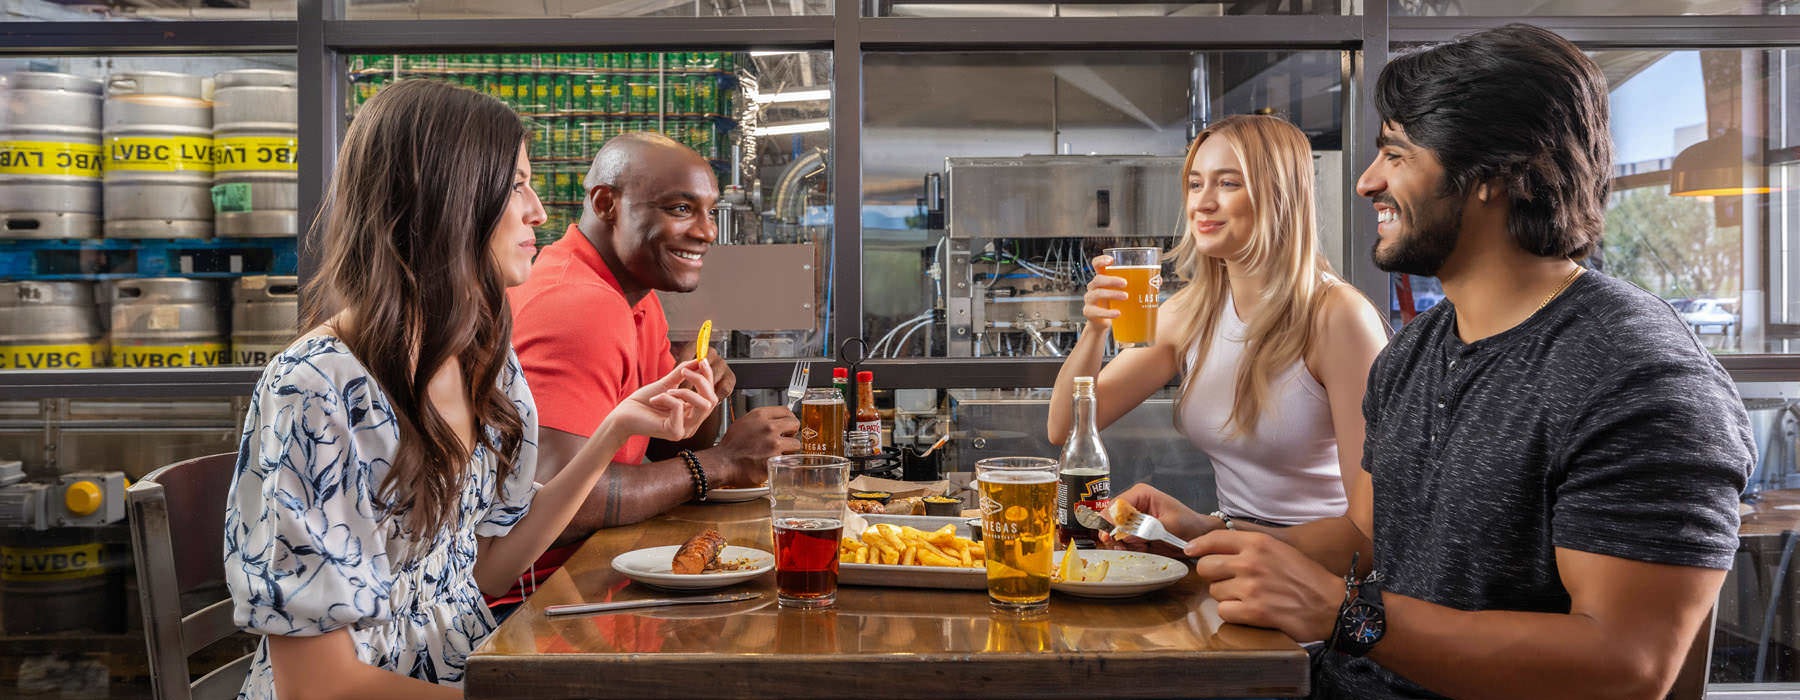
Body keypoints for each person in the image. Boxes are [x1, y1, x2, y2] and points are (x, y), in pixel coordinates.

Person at [1135, 24, 1753, 699]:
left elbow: (1626, 664)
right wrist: (1208, 539)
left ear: (1494, 173)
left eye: (1396, 156)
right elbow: (1365, 536)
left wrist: (1350, 618)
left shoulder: (1639, 378)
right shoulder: (1417, 351)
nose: (1369, 182)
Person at [222, 80, 719, 699]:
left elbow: (484, 568)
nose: (539, 210)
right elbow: (318, 686)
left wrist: (617, 427)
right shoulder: (316, 388)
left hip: (472, 669)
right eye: (516, 185)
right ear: (446, 199)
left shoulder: (481, 354)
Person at [1048, 114, 1387, 569]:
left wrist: (1221, 539)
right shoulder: (1194, 311)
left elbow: (1370, 536)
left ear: (1279, 196)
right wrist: (1095, 330)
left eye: (1227, 184)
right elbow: (1065, 427)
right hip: (1234, 566)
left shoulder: (1338, 317)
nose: (1202, 203)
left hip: (1316, 583)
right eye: (1194, 184)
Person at [498, 132, 800, 607]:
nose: (707, 231)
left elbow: (668, 444)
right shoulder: (580, 305)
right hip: (533, 603)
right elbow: (560, 503)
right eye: (681, 209)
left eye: (710, 211)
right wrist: (722, 463)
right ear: (606, 204)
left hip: (593, 574)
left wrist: (702, 394)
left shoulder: (634, 294)